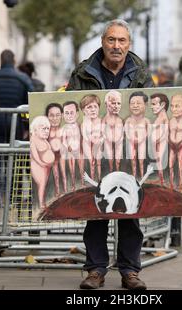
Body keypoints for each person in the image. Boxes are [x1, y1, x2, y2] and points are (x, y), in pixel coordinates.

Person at [66, 19, 153, 290]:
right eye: (111, 40)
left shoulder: (140, 72)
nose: (116, 46)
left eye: (122, 41)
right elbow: (72, 105)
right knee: (96, 214)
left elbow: (149, 108)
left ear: (129, 44)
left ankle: (130, 271)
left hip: (129, 152)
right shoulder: (83, 72)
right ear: (103, 42)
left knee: (131, 214)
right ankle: (95, 270)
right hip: (94, 152)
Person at [0, 50, 33, 143]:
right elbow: (31, 101)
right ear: (14, 61)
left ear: (1, 61)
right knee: (15, 150)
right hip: (16, 120)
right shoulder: (24, 78)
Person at [30, 116, 54, 218]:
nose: (46, 131)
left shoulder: (44, 140)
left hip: (46, 167)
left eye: (47, 128)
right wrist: (41, 163)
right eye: (43, 128)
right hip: (39, 166)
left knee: (44, 185)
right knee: (42, 184)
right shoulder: (33, 140)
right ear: (35, 129)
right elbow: (34, 155)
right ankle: (40, 204)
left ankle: (42, 202)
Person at [125, 91, 150, 178]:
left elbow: (148, 132)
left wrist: (142, 138)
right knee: (133, 160)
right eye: (132, 103)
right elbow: (126, 131)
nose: (135, 106)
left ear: (145, 105)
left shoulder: (146, 121)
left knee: (141, 160)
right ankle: (134, 176)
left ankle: (143, 175)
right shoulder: (128, 120)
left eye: (138, 103)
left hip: (142, 142)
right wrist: (130, 138)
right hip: (131, 143)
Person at [80, 95, 104, 181]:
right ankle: (92, 178)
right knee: (91, 161)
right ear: (83, 110)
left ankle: (99, 178)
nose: (93, 109)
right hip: (87, 144)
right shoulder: (84, 123)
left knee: (98, 160)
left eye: (95, 107)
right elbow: (85, 137)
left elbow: (104, 135)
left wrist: (99, 140)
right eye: (89, 107)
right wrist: (92, 139)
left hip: (98, 143)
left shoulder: (101, 121)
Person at [168, 95, 182, 191]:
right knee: (171, 165)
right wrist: (169, 141)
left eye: (177, 106)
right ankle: (171, 184)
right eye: (172, 106)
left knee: (180, 166)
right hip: (172, 146)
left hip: (181, 146)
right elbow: (168, 133)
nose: (174, 109)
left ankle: (180, 184)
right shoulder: (171, 121)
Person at [150, 93, 170, 186]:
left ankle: (162, 180)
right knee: (157, 161)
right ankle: (160, 178)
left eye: (154, 104)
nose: (151, 107)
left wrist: (158, 140)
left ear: (162, 105)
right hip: (155, 143)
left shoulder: (164, 118)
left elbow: (166, 132)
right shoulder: (159, 117)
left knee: (159, 160)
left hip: (161, 143)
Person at [61, 101, 81, 191]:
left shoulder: (79, 126)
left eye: (72, 113)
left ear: (77, 114)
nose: (69, 116)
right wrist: (67, 146)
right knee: (72, 169)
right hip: (70, 151)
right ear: (63, 115)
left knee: (81, 167)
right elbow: (64, 140)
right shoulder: (64, 128)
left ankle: (82, 183)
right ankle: (73, 185)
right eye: (67, 113)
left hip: (79, 150)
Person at [102, 90, 124, 172]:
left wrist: (120, 138)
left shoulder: (120, 120)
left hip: (119, 142)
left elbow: (122, 132)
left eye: (119, 103)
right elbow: (103, 131)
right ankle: (111, 172)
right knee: (110, 160)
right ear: (106, 104)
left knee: (118, 160)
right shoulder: (104, 119)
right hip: (108, 142)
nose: (116, 106)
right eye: (113, 103)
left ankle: (117, 173)